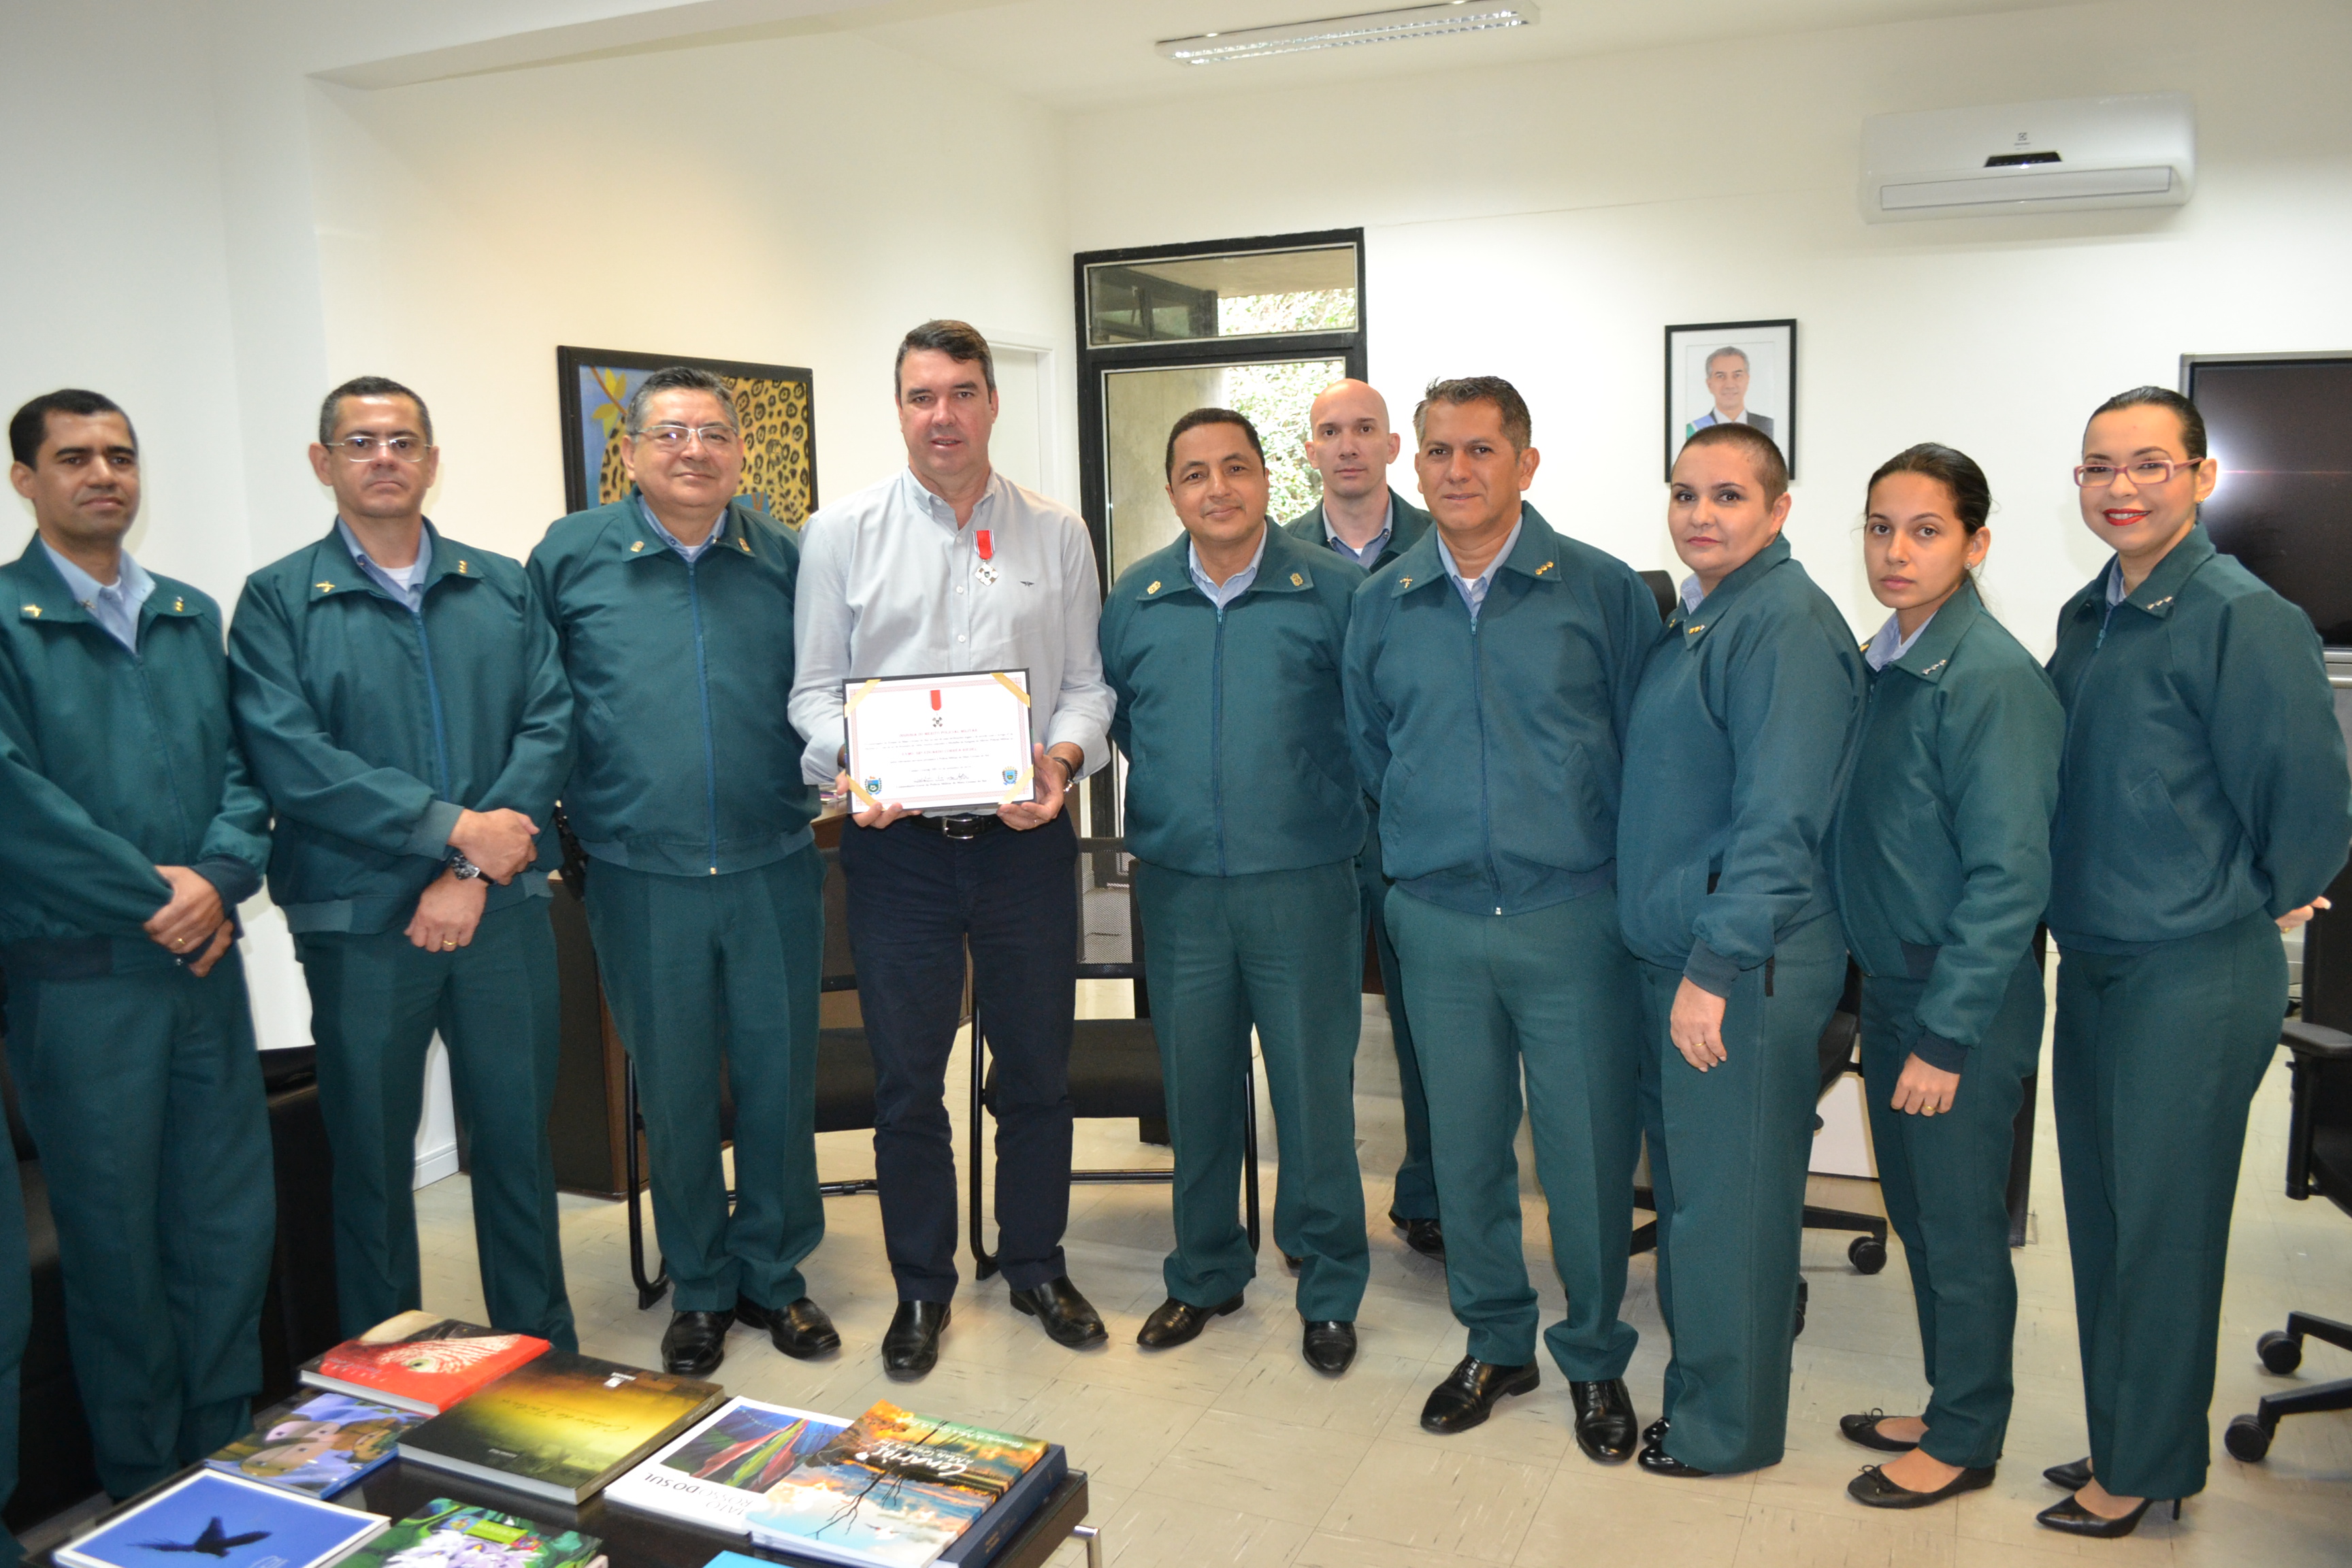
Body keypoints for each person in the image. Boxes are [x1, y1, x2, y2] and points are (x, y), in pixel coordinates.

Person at [2036, 387, 2350, 1537]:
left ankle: (2147, 1464)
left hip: (2192, 972)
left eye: (2149, 464)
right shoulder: (2091, 613)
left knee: (2163, 1232)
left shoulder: (2241, 615)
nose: (2120, 487)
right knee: (2108, 1222)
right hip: (2098, 957)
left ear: (2203, 477)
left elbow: (2312, 805)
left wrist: (2250, 897)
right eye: (2098, 466)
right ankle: (2128, 1433)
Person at [791, 321, 1116, 1378]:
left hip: (1026, 846)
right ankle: (921, 1288)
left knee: (1036, 1071)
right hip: (899, 856)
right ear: (899, 408)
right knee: (907, 1082)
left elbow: (1087, 687)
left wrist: (1061, 760)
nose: (944, 415)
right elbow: (812, 695)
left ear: (990, 403)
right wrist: (857, 764)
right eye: (922, 395)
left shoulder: (1056, 533)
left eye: (963, 393)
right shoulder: (840, 534)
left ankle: (1036, 1265)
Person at [1344, 376, 1658, 1458]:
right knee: (1466, 1152)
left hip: (1571, 916)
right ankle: (1496, 1341)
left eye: (1482, 450)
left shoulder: (1602, 591)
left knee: (1584, 1155)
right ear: (1415, 463)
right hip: (1437, 921)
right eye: (1439, 451)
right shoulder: (1384, 602)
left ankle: (1596, 1354)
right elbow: (1371, 747)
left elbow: (1645, 745)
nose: (1458, 471)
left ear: (1526, 463)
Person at [229, 376, 576, 1348]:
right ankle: (383, 1374)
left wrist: (468, 873)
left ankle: (540, 1353)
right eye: (360, 442)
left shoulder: (500, 584)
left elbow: (550, 725)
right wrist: (454, 831)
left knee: (517, 1147)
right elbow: (292, 760)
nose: (383, 457)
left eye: (402, 441)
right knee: (373, 1165)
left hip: (501, 913)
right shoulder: (278, 601)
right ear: (323, 461)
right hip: (358, 922)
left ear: (430, 460)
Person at [528, 365, 838, 1378]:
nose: (692, 451)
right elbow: (537, 706)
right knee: (675, 1088)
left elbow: (835, 685)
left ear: (740, 453)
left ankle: (774, 1276)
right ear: (629, 452)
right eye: (669, 434)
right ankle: (700, 1284)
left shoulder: (786, 557)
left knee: (778, 1078)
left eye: (712, 433)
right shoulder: (570, 558)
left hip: (772, 860)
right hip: (638, 872)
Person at [0, 389, 276, 1497]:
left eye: (119, 455)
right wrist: (157, 897)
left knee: (225, 1226)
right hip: (82, 977)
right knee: (115, 1246)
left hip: (204, 965)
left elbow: (245, 770)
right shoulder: (5, 618)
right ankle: (144, 1484)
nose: (103, 474)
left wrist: (218, 880)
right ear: (26, 479)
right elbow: (16, 805)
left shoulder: (186, 612)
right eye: (74, 458)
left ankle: (227, 1456)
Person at [1616, 420, 1865, 1477]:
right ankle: (1704, 1397)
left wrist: (1713, 972)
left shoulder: (1785, 627)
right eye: (1686, 494)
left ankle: (1728, 1431)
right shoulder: (1705, 616)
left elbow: (1779, 824)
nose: (1701, 515)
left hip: (1741, 971)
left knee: (1733, 1214)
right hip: (1686, 957)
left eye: (1728, 496)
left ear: (1779, 509)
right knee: (1697, 1203)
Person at [1102, 407, 1371, 1373]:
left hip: (1303, 883)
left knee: (1313, 1095)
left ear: (1266, 478)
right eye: (1194, 474)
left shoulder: (1334, 591)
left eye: (1235, 468)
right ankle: (1206, 1272)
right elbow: (1126, 722)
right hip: (1181, 889)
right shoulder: (1137, 599)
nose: (1217, 489)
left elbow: (1373, 725)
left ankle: (1329, 1285)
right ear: (1173, 491)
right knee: (1198, 1089)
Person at [1823, 445, 2063, 1509]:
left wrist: (1948, 1032)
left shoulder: (1990, 678)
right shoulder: (1889, 660)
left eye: (1926, 530)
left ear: (1976, 544)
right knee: (1919, 1216)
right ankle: (1949, 1399)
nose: (1896, 550)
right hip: (1895, 985)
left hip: (1959, 999)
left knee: (1960, 1229)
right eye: (1881, 527)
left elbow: (2010, 879)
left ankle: (1967, 1439)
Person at [1282, 378, 1441, 1260]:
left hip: (1414, 825)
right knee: (1315, 1034)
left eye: (1364, 429)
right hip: (1312, 826)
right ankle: (1319, 1209)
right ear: (1311, 450)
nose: (1347, 445)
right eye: (1330, 431)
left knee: (1429, 1025)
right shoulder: (1276, 555)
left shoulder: (1444, 543)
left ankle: (1431, 1196)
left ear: (1392, 447)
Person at [1684, 346, 1776, 442]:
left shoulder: (1771, 428)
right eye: (1721, 376)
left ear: (1747, 380)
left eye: (1737, 375)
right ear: (1709, 384)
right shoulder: (1690, 433)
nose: (1730, 385)